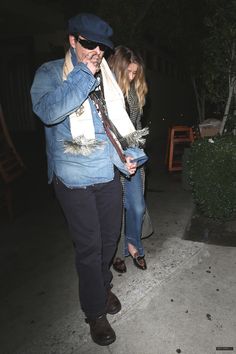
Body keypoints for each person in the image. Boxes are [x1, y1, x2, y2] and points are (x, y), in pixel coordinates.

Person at [30, 13, 148, 346]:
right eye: (88, 44)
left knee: (109, 241)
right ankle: (95, 313)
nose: (96, 51)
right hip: (72, 177)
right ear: (72, 39)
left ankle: (102, 286)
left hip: (105, 173)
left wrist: (125, 157)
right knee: (89, 246)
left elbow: (109, 129)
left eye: (101, 47)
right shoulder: (51, 73)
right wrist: (84, 75)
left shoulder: (107, 79)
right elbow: (49, 111)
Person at [108, 45, 151, 273]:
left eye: (136, 73)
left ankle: (133, 242)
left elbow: (138, 127)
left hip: (132, 158)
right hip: (111, 160)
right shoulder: (104, 91)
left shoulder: (134, 93)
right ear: (118, 68)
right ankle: (116, 254)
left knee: (136, 206)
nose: (133, 76)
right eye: (129, 72)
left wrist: (138, 148)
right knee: (114, 210)